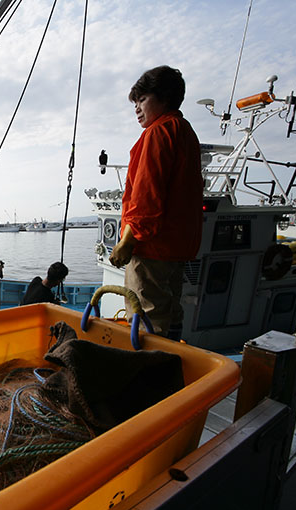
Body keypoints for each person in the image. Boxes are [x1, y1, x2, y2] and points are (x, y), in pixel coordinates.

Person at [109, 66, 203, 340]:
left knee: (147, 317)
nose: (136, 108)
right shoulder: (185, 131)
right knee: (172, 311)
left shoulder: (158, 133)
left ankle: (152, 363)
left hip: (151, 247)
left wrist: (128, 240)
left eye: (142, 100)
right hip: (176, 248)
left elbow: (146, 196)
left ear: (164, 98)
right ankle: (172, 357)